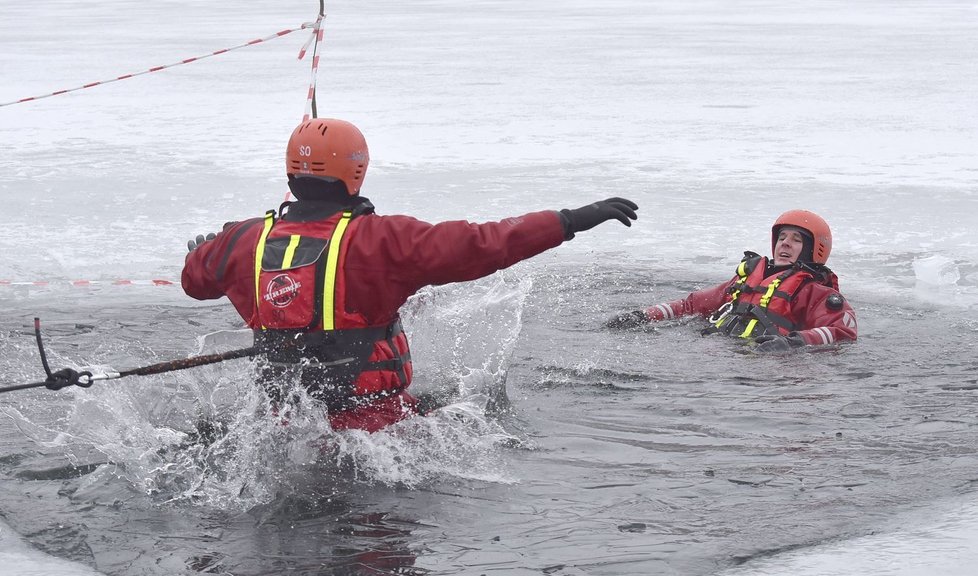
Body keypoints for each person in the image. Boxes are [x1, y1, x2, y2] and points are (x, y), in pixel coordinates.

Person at [182, 117, 638, 432]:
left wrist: (206, 249)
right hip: (379, 430)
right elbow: (484, 243)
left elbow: (194, 281)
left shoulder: (241, 240)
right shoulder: (384, 240)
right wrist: (569, 220)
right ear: (356, 171)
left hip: (280, 426)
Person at [606, 210, 856, 352]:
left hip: (768, 368)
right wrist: (643, 316)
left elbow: (842, 332)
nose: (785, 244)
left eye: (796, 240)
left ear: (814, 249)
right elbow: (691, 306)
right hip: (719, 350)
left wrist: (792, 343)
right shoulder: (745, 279)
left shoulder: (816, 293)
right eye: (782, 238)